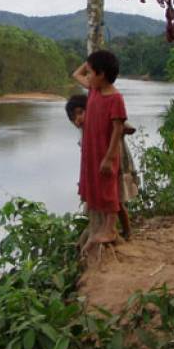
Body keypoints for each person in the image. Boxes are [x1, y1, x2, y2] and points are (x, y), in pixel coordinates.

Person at [71, 50, 129, 248]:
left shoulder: (115, 98)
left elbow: (117, 129)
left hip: (106, 152)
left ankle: (111, 229)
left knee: (108, 190)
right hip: (91, 151)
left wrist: (110, 157)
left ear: (101, 74)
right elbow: (75, 75)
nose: (87, 75)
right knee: (95, 186)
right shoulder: (94, 90)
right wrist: (90, 62)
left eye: (91, 72)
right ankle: (104, 227)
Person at [65, 94, 137, 240]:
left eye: (80, 113)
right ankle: (111, 230)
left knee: (117, 200)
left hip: (117, 167)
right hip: (100, 172)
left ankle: (127, 232)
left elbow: (128, 128)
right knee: (109, 202)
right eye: (73, 118)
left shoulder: (102, 123)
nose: (77, 119)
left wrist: (119, 127)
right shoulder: (84, 133)